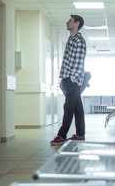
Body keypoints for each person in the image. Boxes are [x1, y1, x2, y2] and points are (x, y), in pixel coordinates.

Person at [50, 14, 87, 145]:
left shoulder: (79, 41)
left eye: (70, 21)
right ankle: (80, 134)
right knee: (78, 108)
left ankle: (61, 135)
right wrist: (63, 78)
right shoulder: (71, 40)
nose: (67, 22)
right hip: (67, 79)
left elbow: (78, 63)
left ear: (77, 24)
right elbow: (67, 62)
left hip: (73, 80)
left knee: (68, 108)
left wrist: (71, 79)